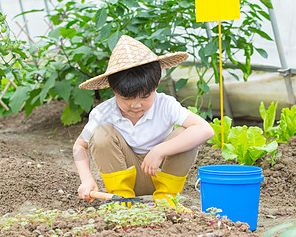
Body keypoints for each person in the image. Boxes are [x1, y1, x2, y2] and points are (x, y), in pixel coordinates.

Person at [73, 35, 214, 211]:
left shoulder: (165, 105)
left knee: (187, 133)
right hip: (126, 174)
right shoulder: (104, 112)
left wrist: (160, 150)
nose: (136, 105)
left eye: (145, 97)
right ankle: (122, 201)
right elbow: (79, 146)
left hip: (161, 171)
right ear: (114, 91)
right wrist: (86, 180)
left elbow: (205, 130)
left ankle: (167, 201)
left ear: (156, 86)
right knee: (101, 134)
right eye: (126, 99)